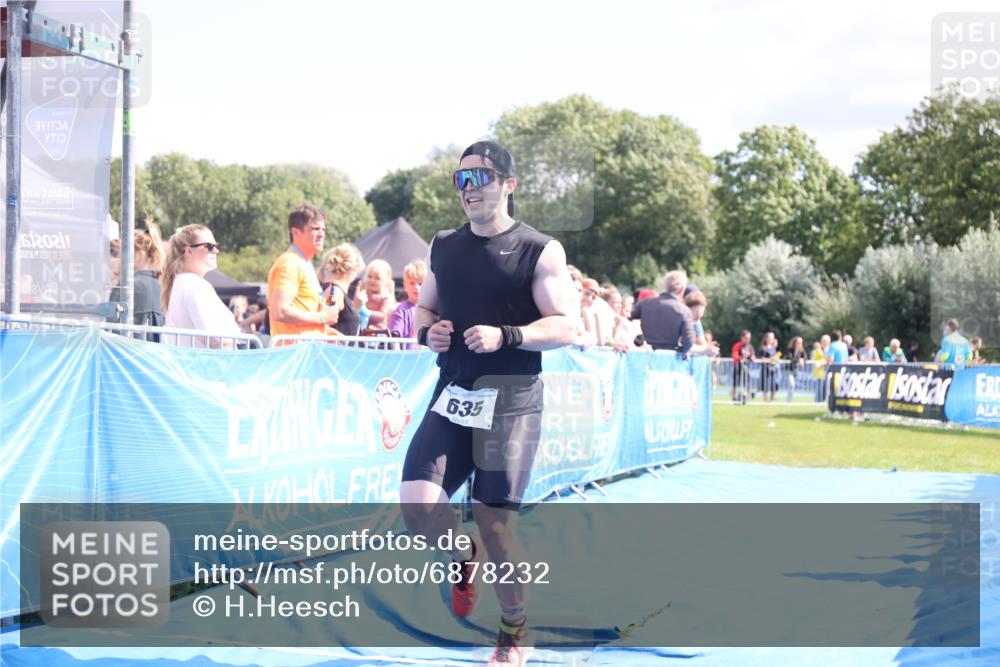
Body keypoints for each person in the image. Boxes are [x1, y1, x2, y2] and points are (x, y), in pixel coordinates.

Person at [400, 141, 577, 666]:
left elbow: (569, 324)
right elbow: (424, 308)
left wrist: (509, 336)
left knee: (496, 525)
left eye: (481, 177)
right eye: (462, 180)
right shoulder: (444, 245)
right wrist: (427, 331)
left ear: (509, 184)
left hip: (512, 401)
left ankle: (515, 629)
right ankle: (463, 553)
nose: (470, 188)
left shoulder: (540, 250)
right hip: (453, 394)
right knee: (416, 506)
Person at [267, 204, 342, 342]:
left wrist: (327, 332)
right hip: (295, 355)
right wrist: (323, 318)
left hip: (308, 353)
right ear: (295, 232)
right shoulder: (289, 263)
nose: (321, 235)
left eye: (323, 229)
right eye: (315, 229)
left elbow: (306, 317)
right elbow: (280, 311)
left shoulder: (304, 263)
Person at [161, 225, 241, 347]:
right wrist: (239, 337)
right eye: (209, 246)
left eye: (216, 246)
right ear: (189, 251)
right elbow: (212, 338)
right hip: (205, 363)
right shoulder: (195, 286)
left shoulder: (179, 282)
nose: (216, 251)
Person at [630, 270, 696, 355]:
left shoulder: (645, 304)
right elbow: (689, 341)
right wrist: (680, 352)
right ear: (681, 289)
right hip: (669, 357)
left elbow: (627, 318)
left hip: (645, 355)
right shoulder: (684, 311)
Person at [320, 243, 366, 336]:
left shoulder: (334, 290)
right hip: (334, 349)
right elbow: (324, 322)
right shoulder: (334, 292)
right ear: (354, 270)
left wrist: (355, 307)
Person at [389, 259, 427, 341]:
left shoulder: (432, 310)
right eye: (412, 283)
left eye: (420, 283)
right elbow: (394, 341)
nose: (416, 287)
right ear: (405, 285)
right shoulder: (401, 311)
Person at [361, 259, 396, 332]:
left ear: (386, 282)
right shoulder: (364, 293)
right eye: (369, 276)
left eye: (377, 278)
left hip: (378, 332)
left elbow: (383, 315)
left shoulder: (387, 297)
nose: (372, 280)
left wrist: (367, 312)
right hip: (363, 330)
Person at [684, 291, 720, 356]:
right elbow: (685, 346)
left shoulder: (688, 321)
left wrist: (707, 349)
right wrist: (705, 349)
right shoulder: (685, 322)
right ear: (699, 308)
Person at [731, 330, 754, 403]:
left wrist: (751, 357)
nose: (748, 340)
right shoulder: (737, 345)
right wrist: (742, 357)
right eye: (747, 338)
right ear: (742, 338)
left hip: (746, 367)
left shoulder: (750, 346)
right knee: (736, 383)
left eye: (749, 338)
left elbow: (753, 356)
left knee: (746, 382)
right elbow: (734, 356)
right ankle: (734, 397)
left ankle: (746, 397)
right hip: (737, 367)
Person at [757, 331, 779, 402]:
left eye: (772, 338)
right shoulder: (763, 348)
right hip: (765, 368)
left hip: (773, 368)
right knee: (765, 384)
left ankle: (772, 399)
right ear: (766, 338)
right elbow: (761, 358)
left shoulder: (774, 348)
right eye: (769, 337)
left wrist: (775, 359)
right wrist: (770, 359)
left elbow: (775, 359)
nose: (771, 339)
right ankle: (765, 399)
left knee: (774, 384)